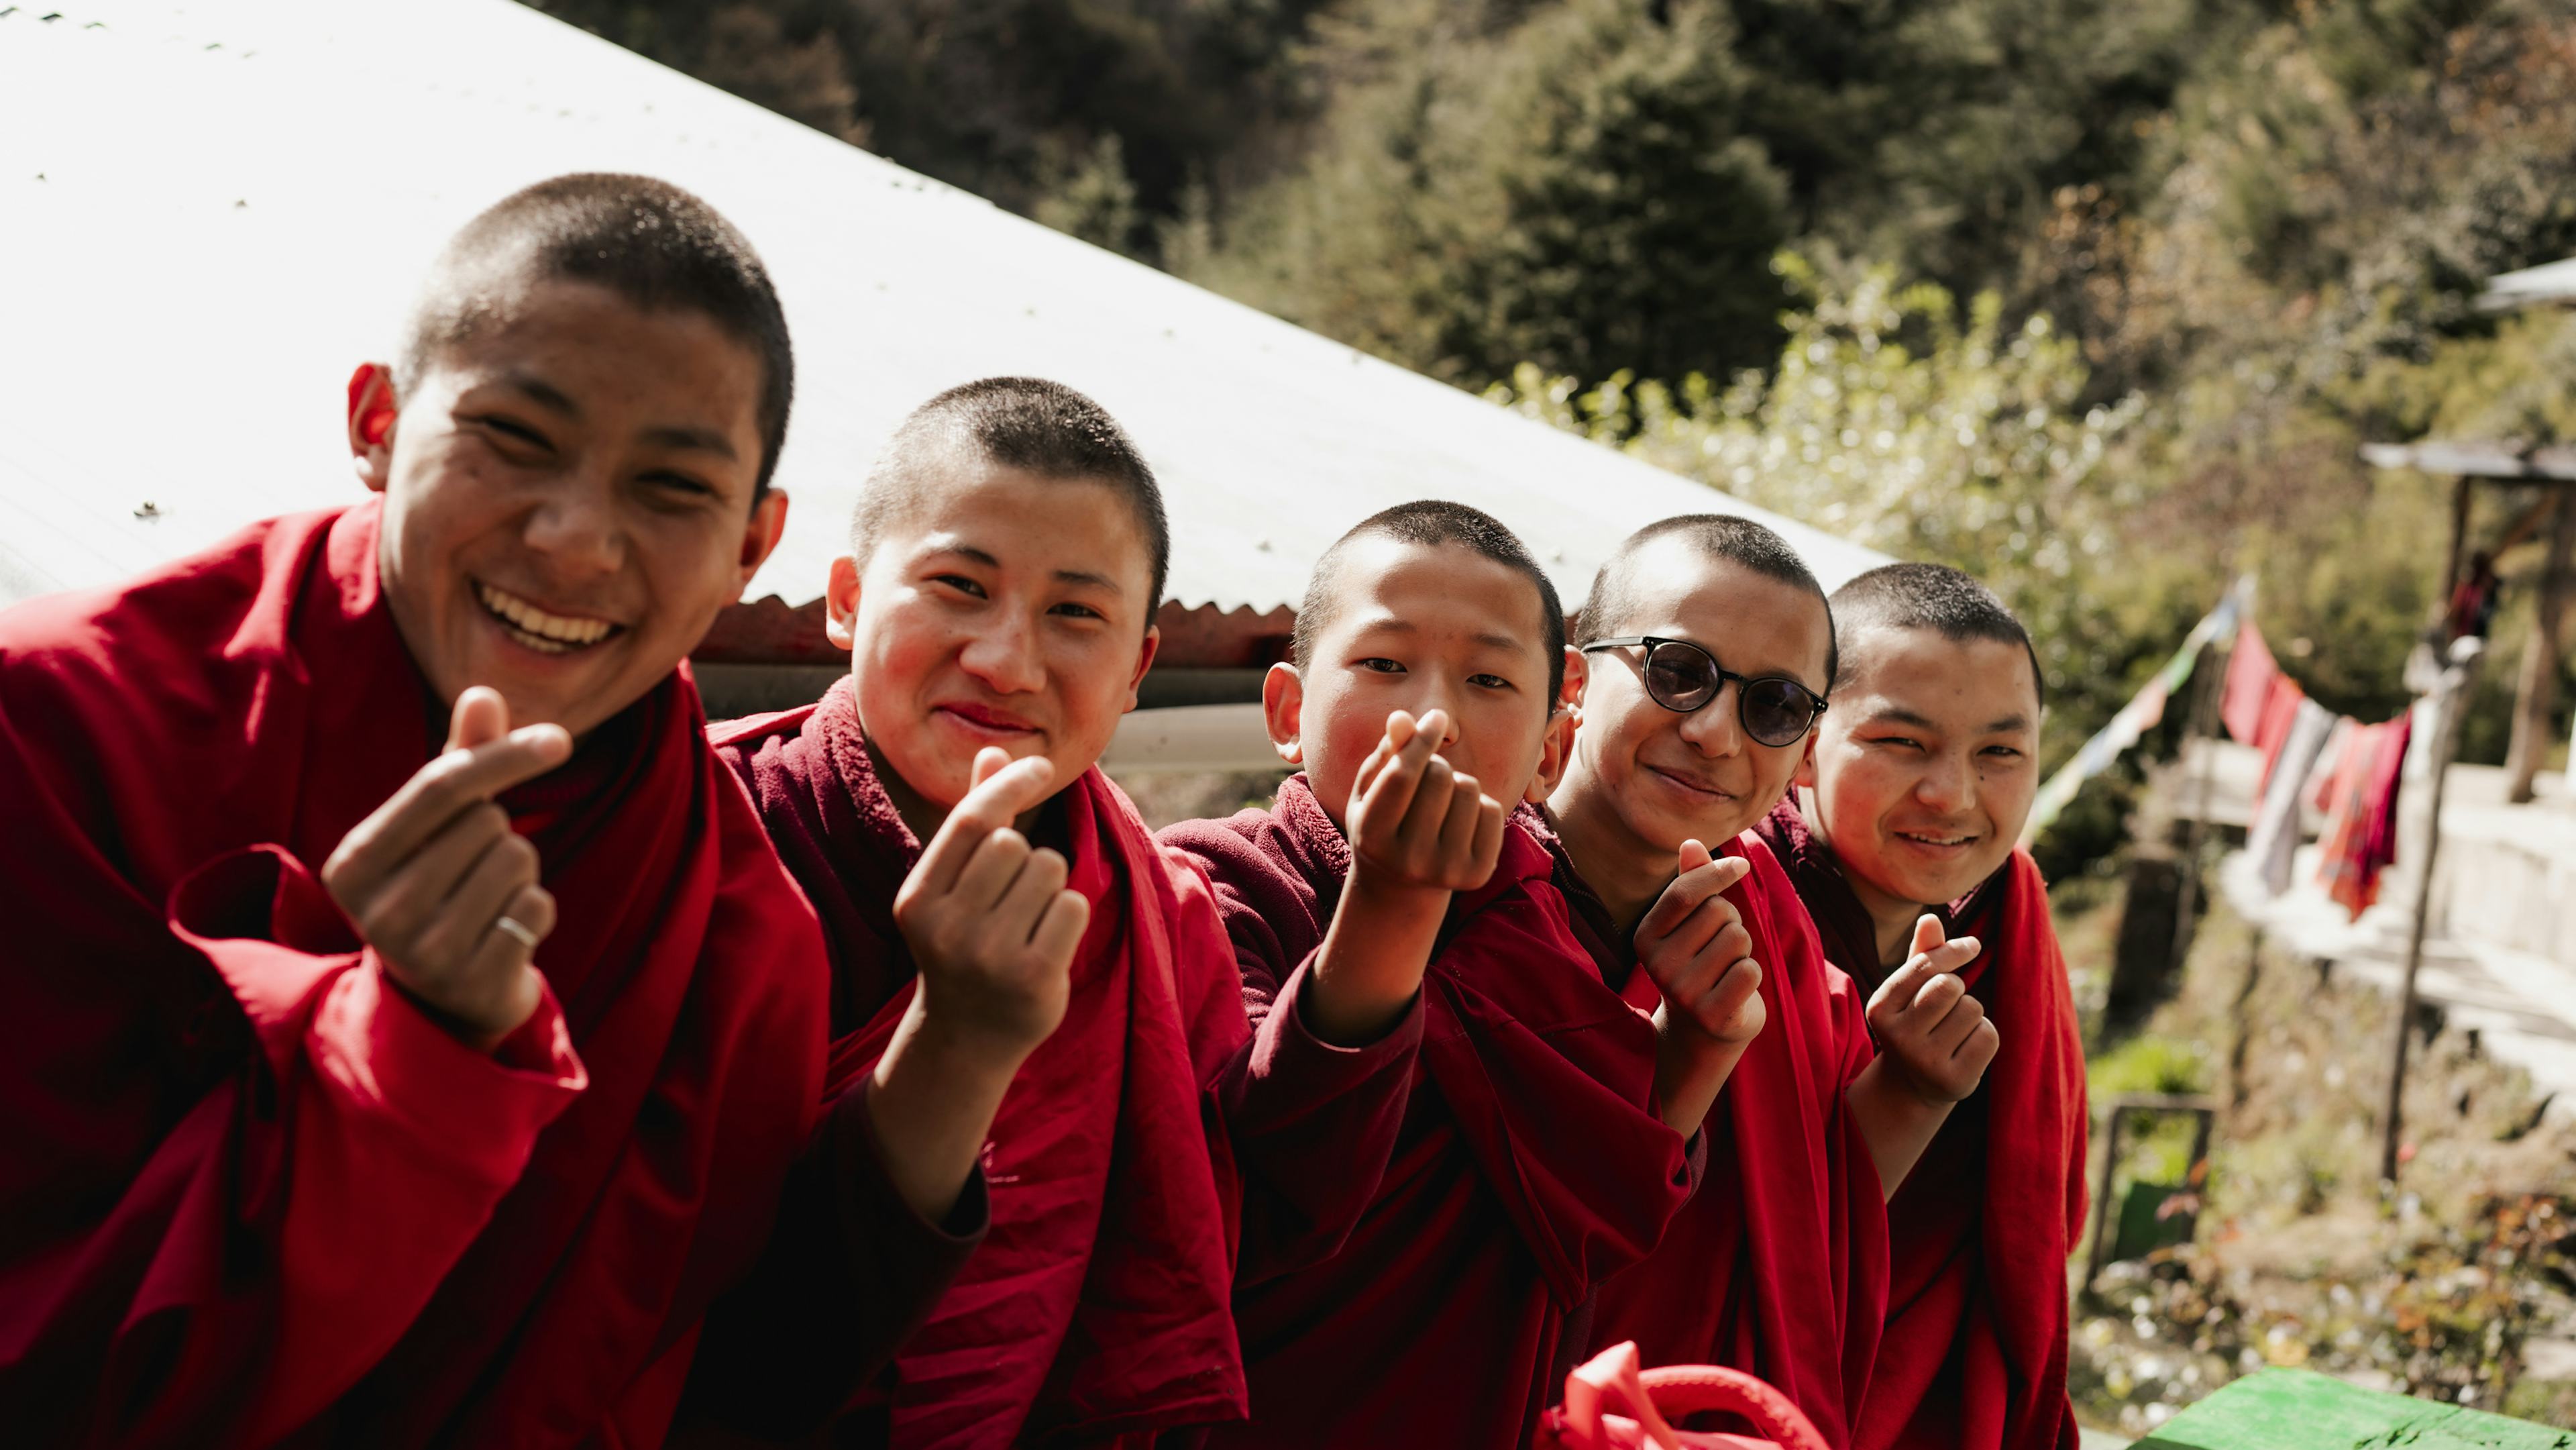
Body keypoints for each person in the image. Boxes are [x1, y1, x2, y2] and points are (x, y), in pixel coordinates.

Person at [0, 174, 960, 1447]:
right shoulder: (65, 727)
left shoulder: (742, 946)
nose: (573, 541)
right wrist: (406, 1057)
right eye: (514, 438)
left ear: (751, 544)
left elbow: (695, 1384)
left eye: (671, 488)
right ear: (379, 421)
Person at [694, 378, 1419, 1448]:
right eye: (957, 585)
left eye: (1075, 613)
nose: (1005, 660)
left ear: (1136, 668)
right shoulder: (709, 833)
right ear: (845, 598)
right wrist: (959, 1040)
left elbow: (1225, 1238)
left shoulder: (1157, 914)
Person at [1161, 501, 1699, 1450]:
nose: (1434, 716)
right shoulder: (1214, 888)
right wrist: (1389, 908)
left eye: (1490, 677)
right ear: (1289, 711)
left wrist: (1702, 1043)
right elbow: (1263, 1196)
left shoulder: (1548, 916)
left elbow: (1600, 1213)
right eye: (1382, 665)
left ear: (1550, 745)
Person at [1542, 515, 2000, 1446]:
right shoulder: (1469, 895)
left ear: (1803, 746)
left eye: (1776, 706)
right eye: (1678, 672)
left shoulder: (1767, 927)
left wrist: (1912, 1090)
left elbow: (1802, 1224)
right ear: (1576, 679)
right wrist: (1684, 1052)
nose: (1714, 732)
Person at [1753, 562, 2085, 1450]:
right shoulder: (1730, 909)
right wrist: (1904, 1097)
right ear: (1807, 743)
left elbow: (2043, 1214)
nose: (1952, 793)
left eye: (2001, 752)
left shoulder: (2009, 911)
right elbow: (1699, 1241)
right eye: (1903, 742)